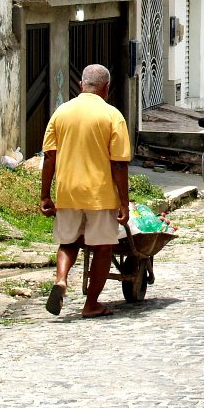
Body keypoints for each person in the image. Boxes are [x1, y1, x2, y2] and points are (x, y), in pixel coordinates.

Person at [40, 64, 131, 318]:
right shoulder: (112, 116)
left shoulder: (61, 112)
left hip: (67, 191)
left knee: (68, 242)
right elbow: (119, 164)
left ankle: (61, 280)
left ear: (81, 85)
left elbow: (49, 157)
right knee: (103, 248)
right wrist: (124, 202)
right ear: (107, 88)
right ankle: (91, 304)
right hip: (100, 194)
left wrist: (45, 194)